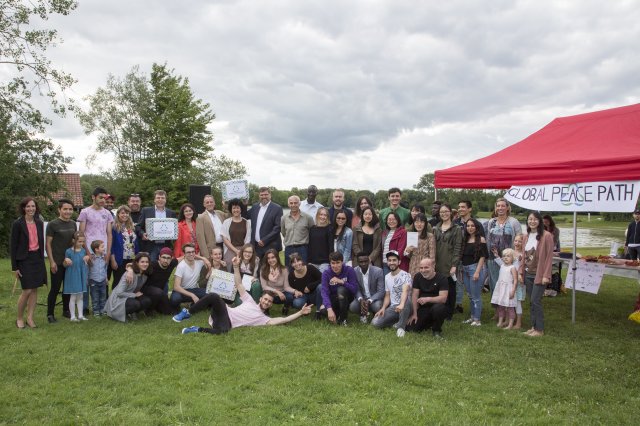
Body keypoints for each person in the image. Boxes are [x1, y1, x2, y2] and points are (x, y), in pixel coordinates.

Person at [175, 256, 313, 335]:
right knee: (214, 296)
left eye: (269, 302)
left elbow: (284, 320)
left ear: (271, 304)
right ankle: (188, 312)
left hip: (224, 322)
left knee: (223, 332)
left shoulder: (263, 319)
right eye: (265, 299)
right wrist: (235, 267)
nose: (266, 302)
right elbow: (239, 284)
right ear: (260, 298)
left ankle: (196, 329)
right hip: (222, 311)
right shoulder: (249, 301)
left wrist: (300, 313)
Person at [11, 197, 47, 329]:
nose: (31, 209)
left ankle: (30, 318)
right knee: (27, 290)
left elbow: (41, 242)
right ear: (23, 208)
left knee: (34, 290)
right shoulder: (17, 224)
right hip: (24, 260)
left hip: (37, 259)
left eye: (33, 206)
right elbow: (13, 246)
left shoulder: (39, 223)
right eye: (28, 206)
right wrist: (15, 267)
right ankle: (19, 318)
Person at [521, 211, 554, 337]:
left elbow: (549, 257)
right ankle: (533, 327)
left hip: (540, 274)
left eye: (535, 219)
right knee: (531, 301)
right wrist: (520, 272)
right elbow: (524, 256)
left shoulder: (547, 236)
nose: (532, 221)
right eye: (530, 219)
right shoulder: (526, 236)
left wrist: (546, 275)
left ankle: (539, 330)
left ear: (539, 221)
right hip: (528, 273)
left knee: (536, 301)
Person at [45, 198, 76, 323]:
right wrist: (51, 261)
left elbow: (73, 241)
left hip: (69, 262)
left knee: (67, 288)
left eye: (70, 209)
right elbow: (48, 244)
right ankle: (50, 314)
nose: (68, 211)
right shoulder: (53, 224)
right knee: (55, 288)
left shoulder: (73, 224)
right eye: (65, 209)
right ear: (59, 210)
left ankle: (66, 310)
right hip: (57, 261)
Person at [484, 198, 522, 296]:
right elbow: (488, 239)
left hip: (508, 260)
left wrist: (518, 256)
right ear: (495, 208)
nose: (500, 208)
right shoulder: (491, 222)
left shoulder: (514, 222)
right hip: (493, 258)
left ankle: (508, 307)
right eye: (498, 206)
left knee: (507, 283)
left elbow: (520, 239)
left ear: (507, 208)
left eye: (503, 206)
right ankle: (497, 308)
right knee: (495, 283)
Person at [372, 251, 413, 337]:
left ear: (399, 262)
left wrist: (401, 305)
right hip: (394, 307)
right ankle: (397, 321)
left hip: (406, 305)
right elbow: (387, 295)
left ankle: (401, 328)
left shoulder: (406, 275)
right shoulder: (387, 277)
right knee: (375, 323)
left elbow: (405, 291)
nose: (391, 262)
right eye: (389, 260)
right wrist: (383, 308)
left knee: (407, 300)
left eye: (394, 260)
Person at [406, 258, 449, 338]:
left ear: (433, 266)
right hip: (423, 308)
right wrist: (414, 314)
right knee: (410, 329)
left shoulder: (442, 278)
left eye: (426, 267)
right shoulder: (417, 277)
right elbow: (415, 295)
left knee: (439, 309)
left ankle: (436, 330)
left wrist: (428, 299)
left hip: (437, 306)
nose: (423, 270)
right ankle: (429, 323)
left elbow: (443, 298)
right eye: (421, 268)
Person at [104, 252, 153, 322]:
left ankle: (132, 312)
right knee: (136, 304)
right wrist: (134, 295)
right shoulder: (128, 275)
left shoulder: (144, 275)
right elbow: (119, 293)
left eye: (147, 262)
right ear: (137, 263)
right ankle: (119, 314)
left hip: (129, 296)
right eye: (142, 262)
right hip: (118, 299)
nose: (145, 264)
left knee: (146, 301)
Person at [433, 203, 463, 319]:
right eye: (441, 212)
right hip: (437, 263)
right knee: (438, 289)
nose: (444, 214)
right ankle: (439, 311)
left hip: (450, 264)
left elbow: (457, 248)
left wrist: (454, 265)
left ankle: (449, 313)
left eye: (446, 211)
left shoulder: (456, 229)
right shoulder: (436, 228)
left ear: (450, 212)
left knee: (450, 290)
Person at [460, 219, 488, 327]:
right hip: (465, 269)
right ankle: (472, 316)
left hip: (475, 269)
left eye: (472, 226)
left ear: (477, 227)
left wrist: (477, 272)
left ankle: (477, 320)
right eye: (468, 226)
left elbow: (483, 257)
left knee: (476, 296)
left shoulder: (481, 239)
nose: (470, 228)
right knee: (470, 296)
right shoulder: (466, 239)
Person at [318, 251, 358, 325]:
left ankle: (343, 319)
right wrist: (329, 308)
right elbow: (324, 292)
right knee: (323, 310)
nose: (335, 266)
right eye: (333, 263)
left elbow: (354, 289)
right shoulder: (326, 273)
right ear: (330, 263)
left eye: (338, 263)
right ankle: (337, 314)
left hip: (347, 297)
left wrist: (342, 282)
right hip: (334, 298)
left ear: (342, 262)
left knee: (341, 290)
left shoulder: (349, 270)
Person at [137, 189, 177, 261]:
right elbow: (138, 226)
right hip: (151, 245)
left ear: (165, 200)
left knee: (165, 267)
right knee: (150, 267)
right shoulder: (146, 211)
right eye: (158, 198)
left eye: (162, 198)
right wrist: (142, 234)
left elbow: (175, 229)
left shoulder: (171, 213)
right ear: (154, 200)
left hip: (166, 245)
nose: (160, 200)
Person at [169, 243, 211, 310]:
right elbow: (176, 287)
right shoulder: (181, 266)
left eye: (193, 252)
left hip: (194, 289)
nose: (191, 254)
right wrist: (192, 295)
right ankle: (177, 309)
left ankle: (192, 305)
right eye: (188, 252)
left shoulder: (199, 263)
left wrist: (204, 258)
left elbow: (211, 260)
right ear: (184, 254)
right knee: (175, 299)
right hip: (181, 291)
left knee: (210, 294)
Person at [348, 252, 385, 323]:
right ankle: (363, 314)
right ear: (357, 262)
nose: (364, 264)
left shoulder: (378, 271)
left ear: (369, 260)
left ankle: (374, 314)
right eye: (361, 262)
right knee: (352, 307)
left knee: (377, 306)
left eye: (365, 261)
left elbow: (381, 291)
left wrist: (370, 300)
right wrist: (361, 299)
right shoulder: (354, 271)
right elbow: (356, 289)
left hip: (374, 298)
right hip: (363, 298)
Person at [249, 187, 283, 258]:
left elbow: (277, 227)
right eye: (262, 195)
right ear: (259, 196)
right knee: (257, 268)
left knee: (271, 268)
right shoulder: (255, 207)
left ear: (270, 195)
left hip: (271, 246)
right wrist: (244, 203)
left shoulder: (277, 208)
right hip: (256, 246)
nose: (264, 197)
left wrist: (265, 240)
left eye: (266, 194)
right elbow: (244, 215)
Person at [110, 205, 139, 290]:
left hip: (132, 258)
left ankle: (126, 300)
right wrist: (113, 260)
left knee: (130, 280)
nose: (125, 215)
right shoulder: (114, 228)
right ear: (118, 214)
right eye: (122, 213)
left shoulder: (132, 227)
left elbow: (135, 243)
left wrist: (137, 258)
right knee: (118, 281)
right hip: (120, 259)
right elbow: (111, 245)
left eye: (127, 213)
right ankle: (114, 301)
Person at [281, 195, 315, 266]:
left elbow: (312, 233)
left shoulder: (308, 218)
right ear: (288, 204)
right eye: (291, 203)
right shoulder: (284, 218)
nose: (293, 205)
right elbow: (284, 232)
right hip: (289, 249)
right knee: (289, 271)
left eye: (295, 203)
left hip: (303, 249)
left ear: (299, 204)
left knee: (303, 270)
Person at [63, 231, 89, 322]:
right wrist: (66, 261)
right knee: (73, 296)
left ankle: (81, 315)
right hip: (73, 275)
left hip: (81, 275)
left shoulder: (83, 251)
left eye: (83, 242)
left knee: (80, 296)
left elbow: (85, 263)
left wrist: (86, 259)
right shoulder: (68, 251)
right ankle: (73, 316)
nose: (81, 243)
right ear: (74, 240)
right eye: (80, 241)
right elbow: (65, 265)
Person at [259, 248, 294, 313]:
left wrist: (295, 291)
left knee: (290, 297)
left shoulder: (284, 270)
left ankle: (285, 308)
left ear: (277, 258)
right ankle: (266, 309)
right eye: (268, 258)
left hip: (282, 293)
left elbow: (286, 287)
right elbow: (264, 286)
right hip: (269, 293)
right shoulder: (263, 270)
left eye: (273, 257)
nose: (271, 260)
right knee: (266, 296)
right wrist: (277, 292)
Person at [491, 248, 518, 329]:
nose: (506, 257)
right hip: (501, 289)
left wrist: (513, 290)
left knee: (510, 307)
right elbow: (499, 260)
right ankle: (500, 322)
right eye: (504, 256)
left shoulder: (512, 268)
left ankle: (510, 324)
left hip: (508, 290)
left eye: (508, 256)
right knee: (500, 307)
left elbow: (515, 280)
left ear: (512, 258)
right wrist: (496, 254)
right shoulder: (502, 265)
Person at [221, 198, 252, 267]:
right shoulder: (226, 222)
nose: (236, 210)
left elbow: (248, 239)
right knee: (229, 265)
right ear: (231, 210)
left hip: (243, 250)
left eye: (238, 208)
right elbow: (224, 239)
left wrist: (242, 251)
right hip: (230, 249)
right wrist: (235, 250)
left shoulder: (246, 222)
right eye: (234, 208)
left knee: (243, 267)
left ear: (241, 209)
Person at [195, 194, 227, 260]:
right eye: (207, 202)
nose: (209, 204)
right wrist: (206, 255)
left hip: (223, 246)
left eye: (211, 202)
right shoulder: (201, 218)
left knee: (222, 268)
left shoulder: (220, 213)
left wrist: (225, 205)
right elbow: (201, 238)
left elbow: (230, 215)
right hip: (211, 250)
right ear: (204, 204)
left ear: (214, 203)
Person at [405, 213, 436, 277]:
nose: (419, 224)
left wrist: (432, 268)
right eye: (416, 222)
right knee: (413, 284)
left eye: (421, 222)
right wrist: (407, 251)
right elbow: (408, 256)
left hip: (425, 264)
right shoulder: (411, 235)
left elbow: (432, 255)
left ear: (425, 224)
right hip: (413, 264)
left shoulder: (430, 236)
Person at [307, 207, 333, 272]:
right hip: (312, 261)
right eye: (321, 214)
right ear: (317, 215)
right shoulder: (312, 229)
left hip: (325, 262)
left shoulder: (329, 229)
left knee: (322, 281)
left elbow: (331, 247)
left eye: (325, 215)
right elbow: (310, 245)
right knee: (313, 281)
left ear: (327, 217)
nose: (322, 217)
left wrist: (330, 261)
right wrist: (309, 261)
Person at [88, 240, 108, 316]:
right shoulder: (92, 258)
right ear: (96, 249)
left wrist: (106, 278)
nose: (104, 248)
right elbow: (88, 269)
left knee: (103, 296)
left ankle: (103, 310)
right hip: (93, 280)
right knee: (95, 297)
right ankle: (96, 311)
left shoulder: (104, 257)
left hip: (102, 280)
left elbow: (105, 268)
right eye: (102, 247)